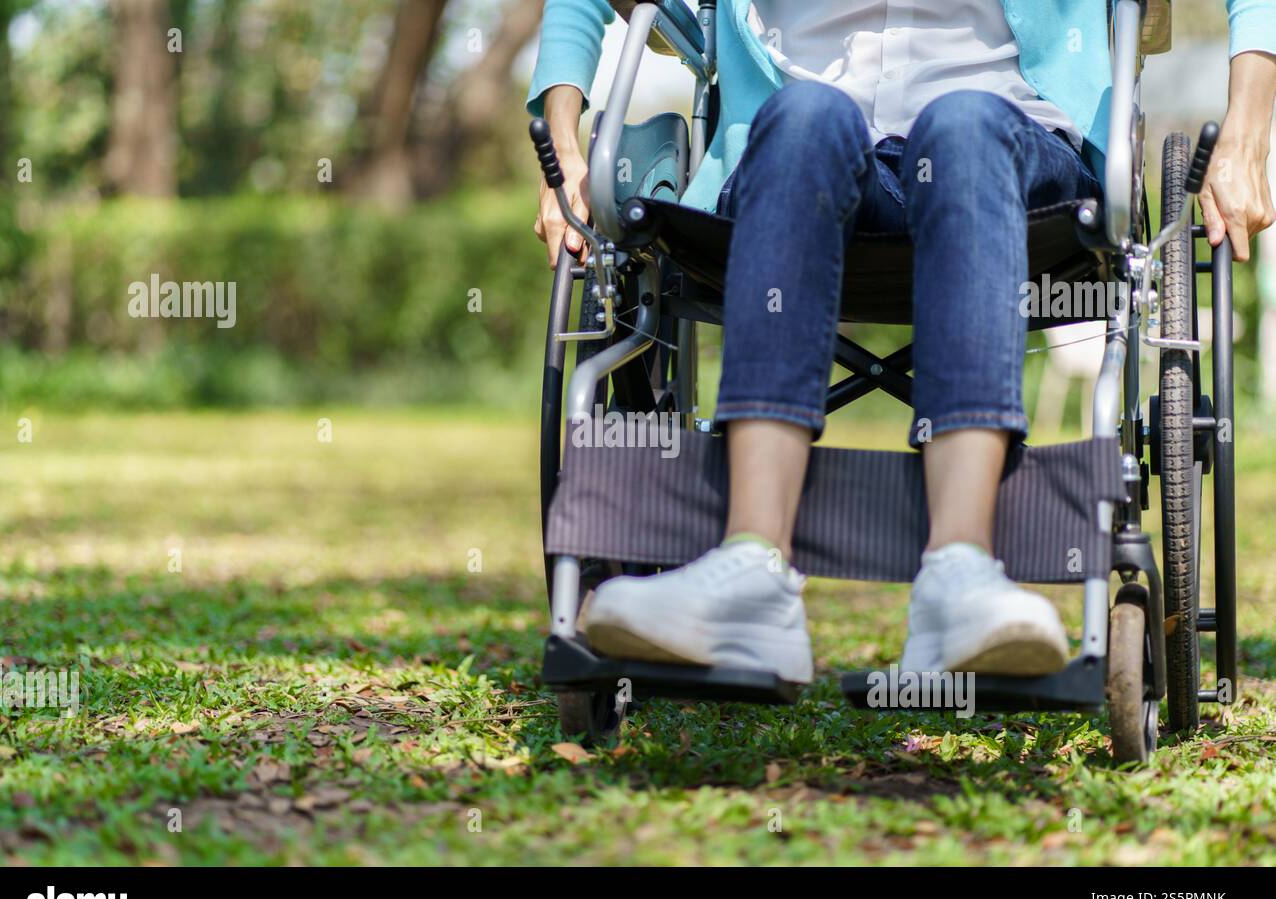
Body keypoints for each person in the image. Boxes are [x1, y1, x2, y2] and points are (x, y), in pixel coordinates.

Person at [529, 1, 1276, 684]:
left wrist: (1247, 134)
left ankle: (961, 573)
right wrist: (563, 145)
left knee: (964, 124)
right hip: (793, 154)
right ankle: (749, 573)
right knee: (804, 118)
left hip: (1014, 148)